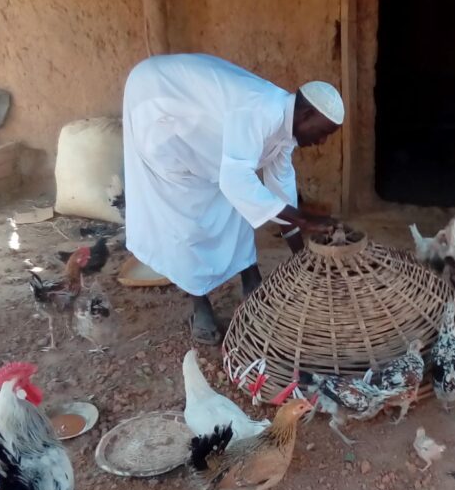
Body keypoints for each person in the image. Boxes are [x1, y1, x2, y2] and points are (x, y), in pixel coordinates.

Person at [122, 54, 341, 345]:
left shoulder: (285, 132)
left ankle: (252, 284)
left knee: (241, 202)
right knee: (187, 220)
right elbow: (237, 181)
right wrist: (307, 219)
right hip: (158, 106)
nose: (322, 142)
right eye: (323, 132)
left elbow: (278, 195)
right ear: (306, 116)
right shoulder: (260, 112)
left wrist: (302, 257)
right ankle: (201, 308)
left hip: (197, 120)